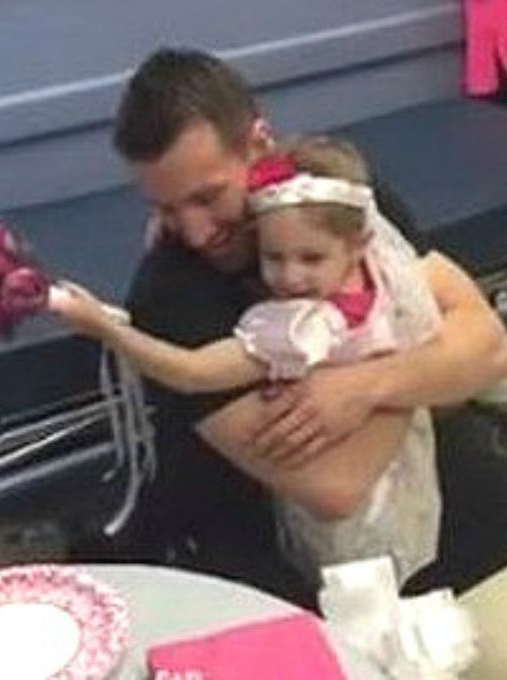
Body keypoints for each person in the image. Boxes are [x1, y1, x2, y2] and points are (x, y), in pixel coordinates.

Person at [93, 47, 507, 604]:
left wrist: (363, 386)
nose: (194, 232)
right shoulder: (171, 296)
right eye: (166, 209)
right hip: (264, 526)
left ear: (260, 145)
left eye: (208, 197)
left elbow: (490, 346)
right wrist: (427, 362)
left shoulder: (332, 200)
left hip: (410, 469)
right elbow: (336, 485)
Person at [52, 136, 444, 586]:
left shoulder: (299, 329)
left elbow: (192, 371)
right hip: (411, 491)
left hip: (360, 526)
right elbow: (457, 339)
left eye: (311, 258)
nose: (292, 278)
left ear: (358, 244)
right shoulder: (385, 274)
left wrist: (107, 330)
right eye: (274, 259)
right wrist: (414, 378)